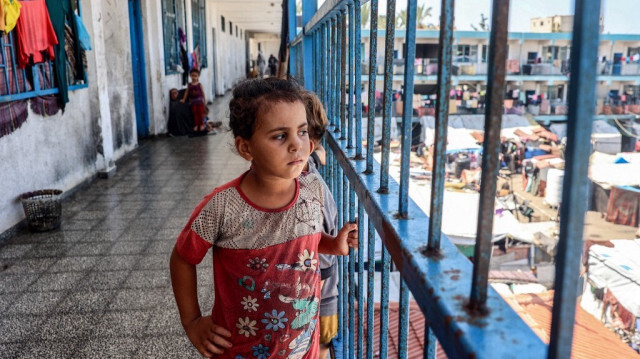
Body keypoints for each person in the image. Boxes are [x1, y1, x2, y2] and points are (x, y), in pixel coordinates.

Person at [170, 77, 358, 359]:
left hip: (302, 344)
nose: (298, 145)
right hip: (241, 349)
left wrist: (333, 245)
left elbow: (304, 240)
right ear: (246, 148)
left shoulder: (312, 188)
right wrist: (193, 321)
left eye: (303, 131)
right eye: (280, 136)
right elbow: (183, 258)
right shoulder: (222, 206)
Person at [301, 90, 337, 359]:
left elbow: (322, 261)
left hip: (319, 298)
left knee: (318, 348)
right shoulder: (307, 168)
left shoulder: (312, 193)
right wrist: (317, 155)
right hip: (318, 297)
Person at [181, 68, 206, 132]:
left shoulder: (199, 85)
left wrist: (204, 101)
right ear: (190, 76)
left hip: (200, 102)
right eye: (192, 75)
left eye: (195, 76)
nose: (194, 77)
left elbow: (203, 93)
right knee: (194, 113)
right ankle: (196, 125)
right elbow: (186, 92)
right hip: (193, 102)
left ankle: (202, 124)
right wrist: (184, 99)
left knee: (200, 113)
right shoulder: (189, 85)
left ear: (198, 76)